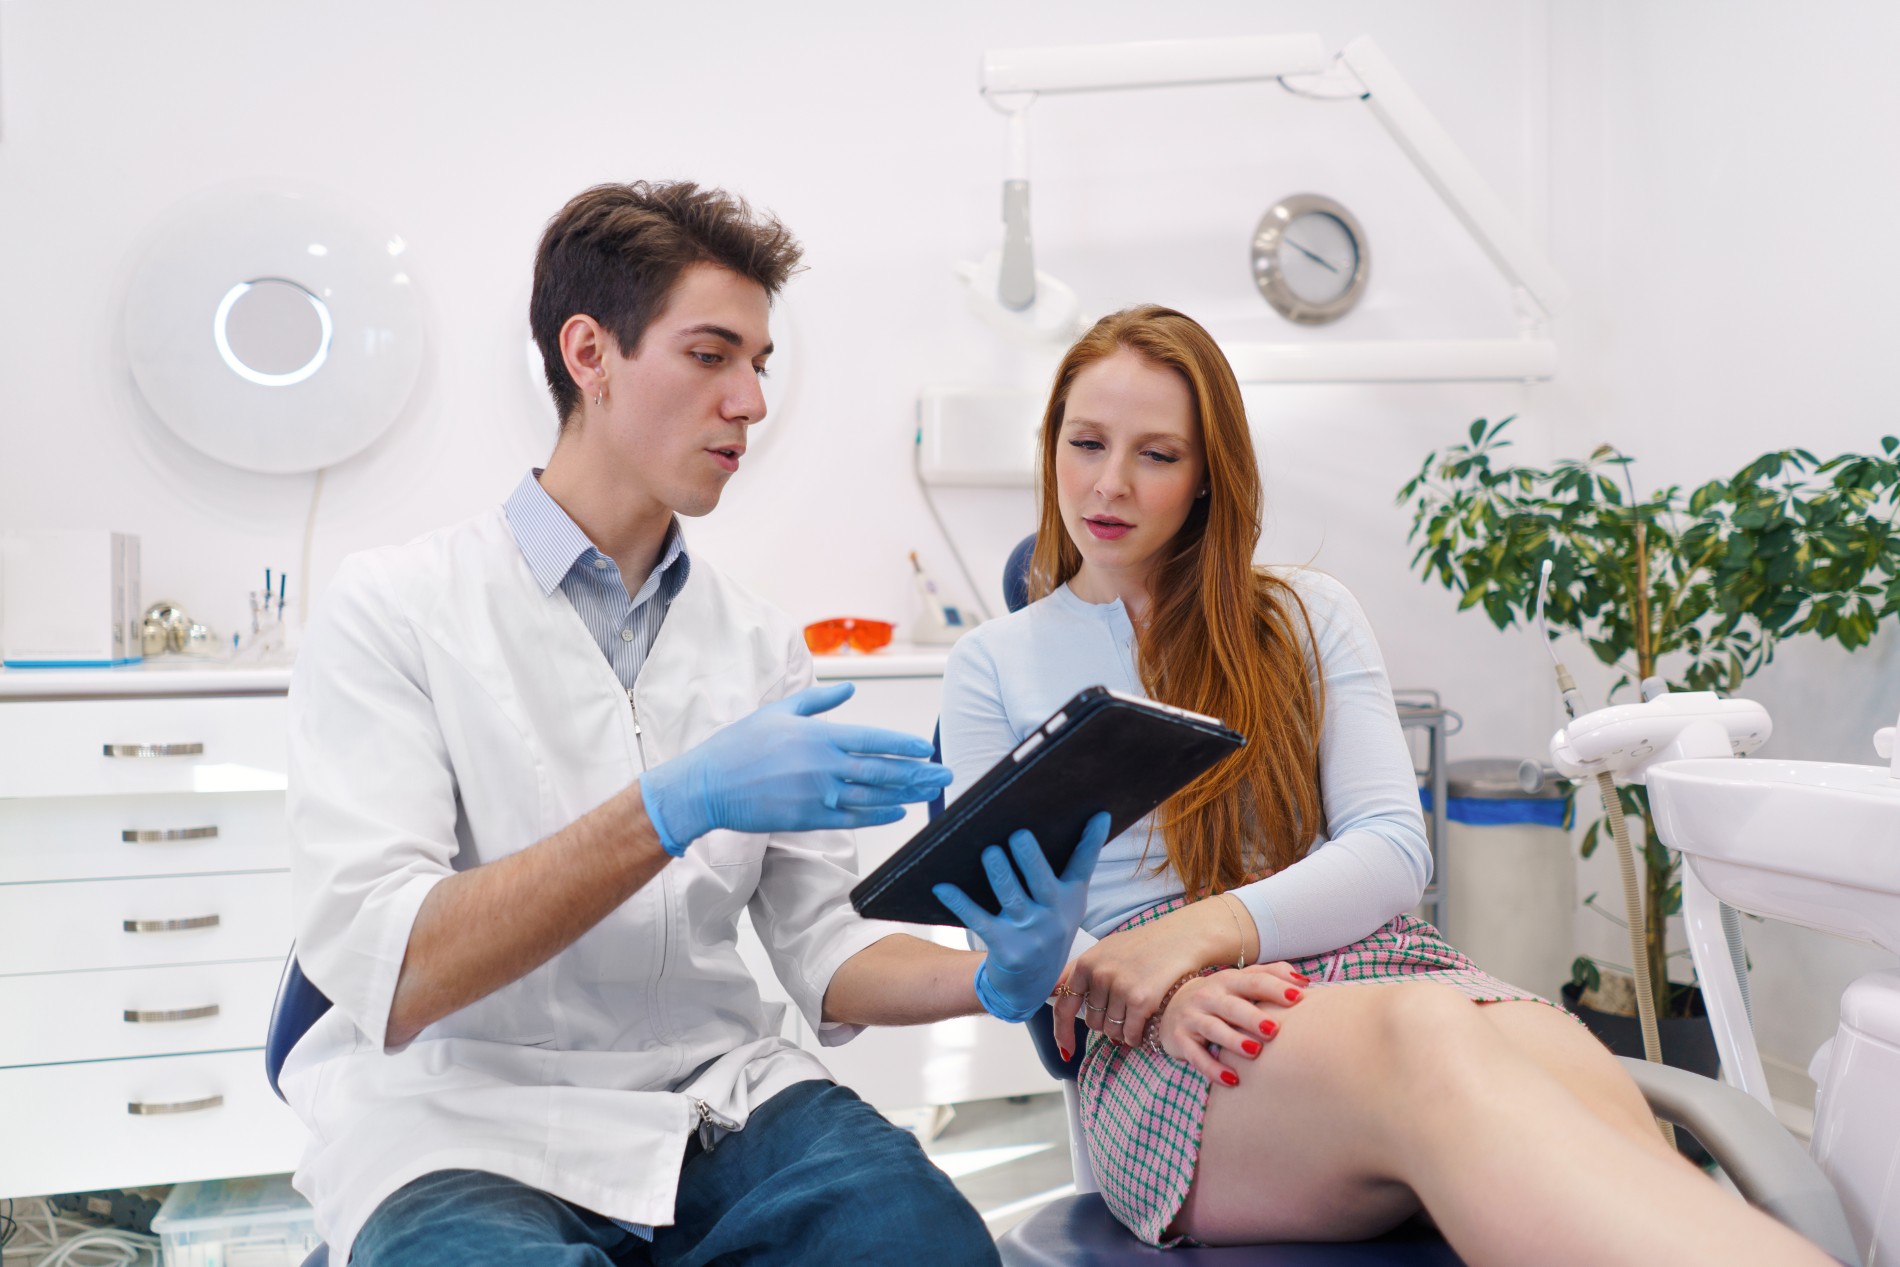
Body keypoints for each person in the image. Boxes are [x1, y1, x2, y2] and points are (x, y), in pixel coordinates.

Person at [282, 180, 1107, 1267]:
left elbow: (824, 946)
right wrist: (674, 806)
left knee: (927, 1245)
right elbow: (398, 971)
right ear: (590, 353)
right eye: (712, 355)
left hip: (715, 1099)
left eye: (759, 364)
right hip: (458, 1117)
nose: (752, 402)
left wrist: (996, 977)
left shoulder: (757, 645)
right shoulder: (393, 607)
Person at [936, 304, 1833, 1265]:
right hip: (1181, 1032)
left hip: (1392, 969)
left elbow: (1390, 850)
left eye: (1157, 454)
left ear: (1206, 479)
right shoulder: (993, 663)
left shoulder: (1306, 616)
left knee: (1598, 1114)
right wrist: (1154, 988)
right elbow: (1014, 919)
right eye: (1086, 443)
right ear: (1052, 445)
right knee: (1434, 1041)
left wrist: (1196, 928)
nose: (1109, 483)